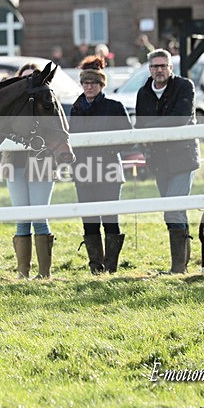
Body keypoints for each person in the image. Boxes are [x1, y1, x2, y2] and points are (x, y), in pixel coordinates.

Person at [135, 48, 200, 273]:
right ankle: (181, 263)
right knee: (172, 209)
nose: (159, 70)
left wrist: (150, 130)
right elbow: (139, 125)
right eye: (155, 66)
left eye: (163, 66)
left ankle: (178, 268)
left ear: (170, 67)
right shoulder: (143, 92)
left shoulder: (184, 86)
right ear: (149, 69)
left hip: (183, 157)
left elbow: (180, 118)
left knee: (173, 208)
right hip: (159, 160)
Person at [70, 55, 133, 274]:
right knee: (89, 220)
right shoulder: (76, 108)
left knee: (109, 218)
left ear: (101, 84)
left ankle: (111, 266)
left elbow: (129, 138)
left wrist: (106, 150)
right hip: (83, 171)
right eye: (85, 83)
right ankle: (95, 266)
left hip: (108, 170)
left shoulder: (114, 107)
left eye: (93, 83)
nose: (89, 87)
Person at [1, 63, 57, 279]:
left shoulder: (44, 103)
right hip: (14, 164)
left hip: (40, 165)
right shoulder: (13, 106)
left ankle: (44, 273)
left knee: (40, 217)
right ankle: (22, 272)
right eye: (25, 78)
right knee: (21, 217)